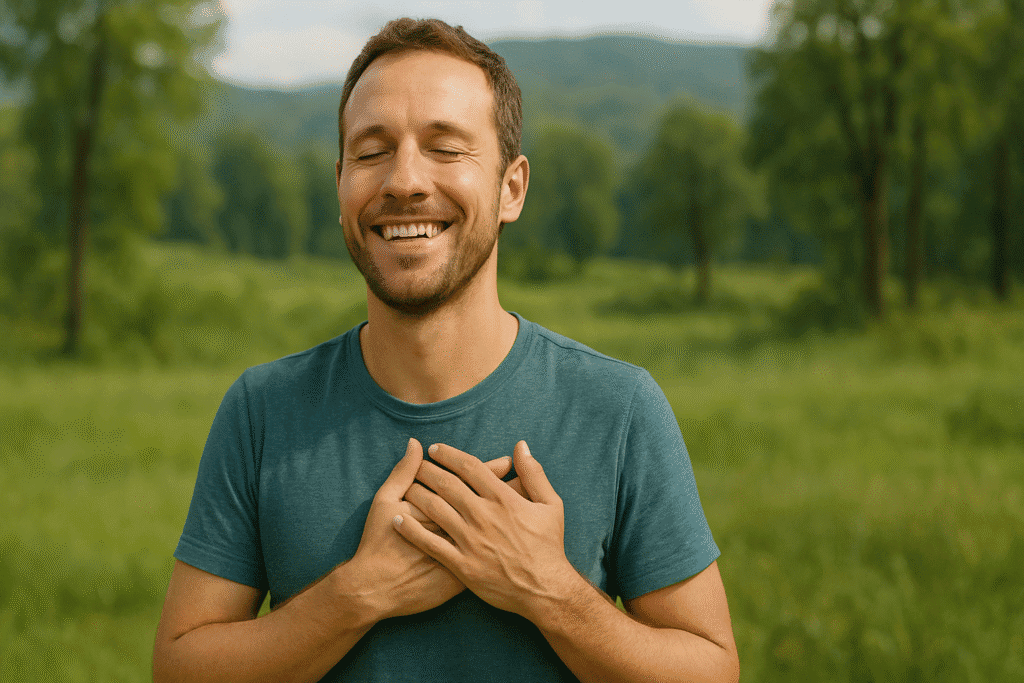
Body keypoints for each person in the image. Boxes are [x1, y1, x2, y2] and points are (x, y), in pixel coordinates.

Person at [153, 17, 739, 683]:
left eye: (446, 148)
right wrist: (356, 595)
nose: (403, 180)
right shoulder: (261, 412)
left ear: (510, 188)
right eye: (372, 152)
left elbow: (710, 669)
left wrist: (551, 590)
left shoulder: (619, 407)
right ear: (340, 183)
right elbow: (181, 668)